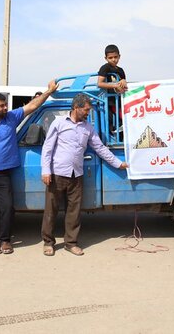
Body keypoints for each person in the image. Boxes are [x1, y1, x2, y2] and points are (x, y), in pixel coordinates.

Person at [0, 80, 58, 255]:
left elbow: (32, 106)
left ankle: (6, 240)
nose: (5, 108)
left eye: (5, 105)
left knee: (7, 208)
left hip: (4, 174)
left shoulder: (11, 118)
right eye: (1, 106)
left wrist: (49, 91)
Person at [40, 93, 128, 257]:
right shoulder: (59, 123)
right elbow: (47, 148)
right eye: (86, 110)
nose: (88, 113)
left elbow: (100, 148)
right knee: (51, 210)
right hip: (57, 173)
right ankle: (48, 242)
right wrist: (46, 170)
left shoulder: (88, 128)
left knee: (74, 211)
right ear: (76, 107)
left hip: (76, 175)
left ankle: (71, 243)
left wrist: (118, 163)